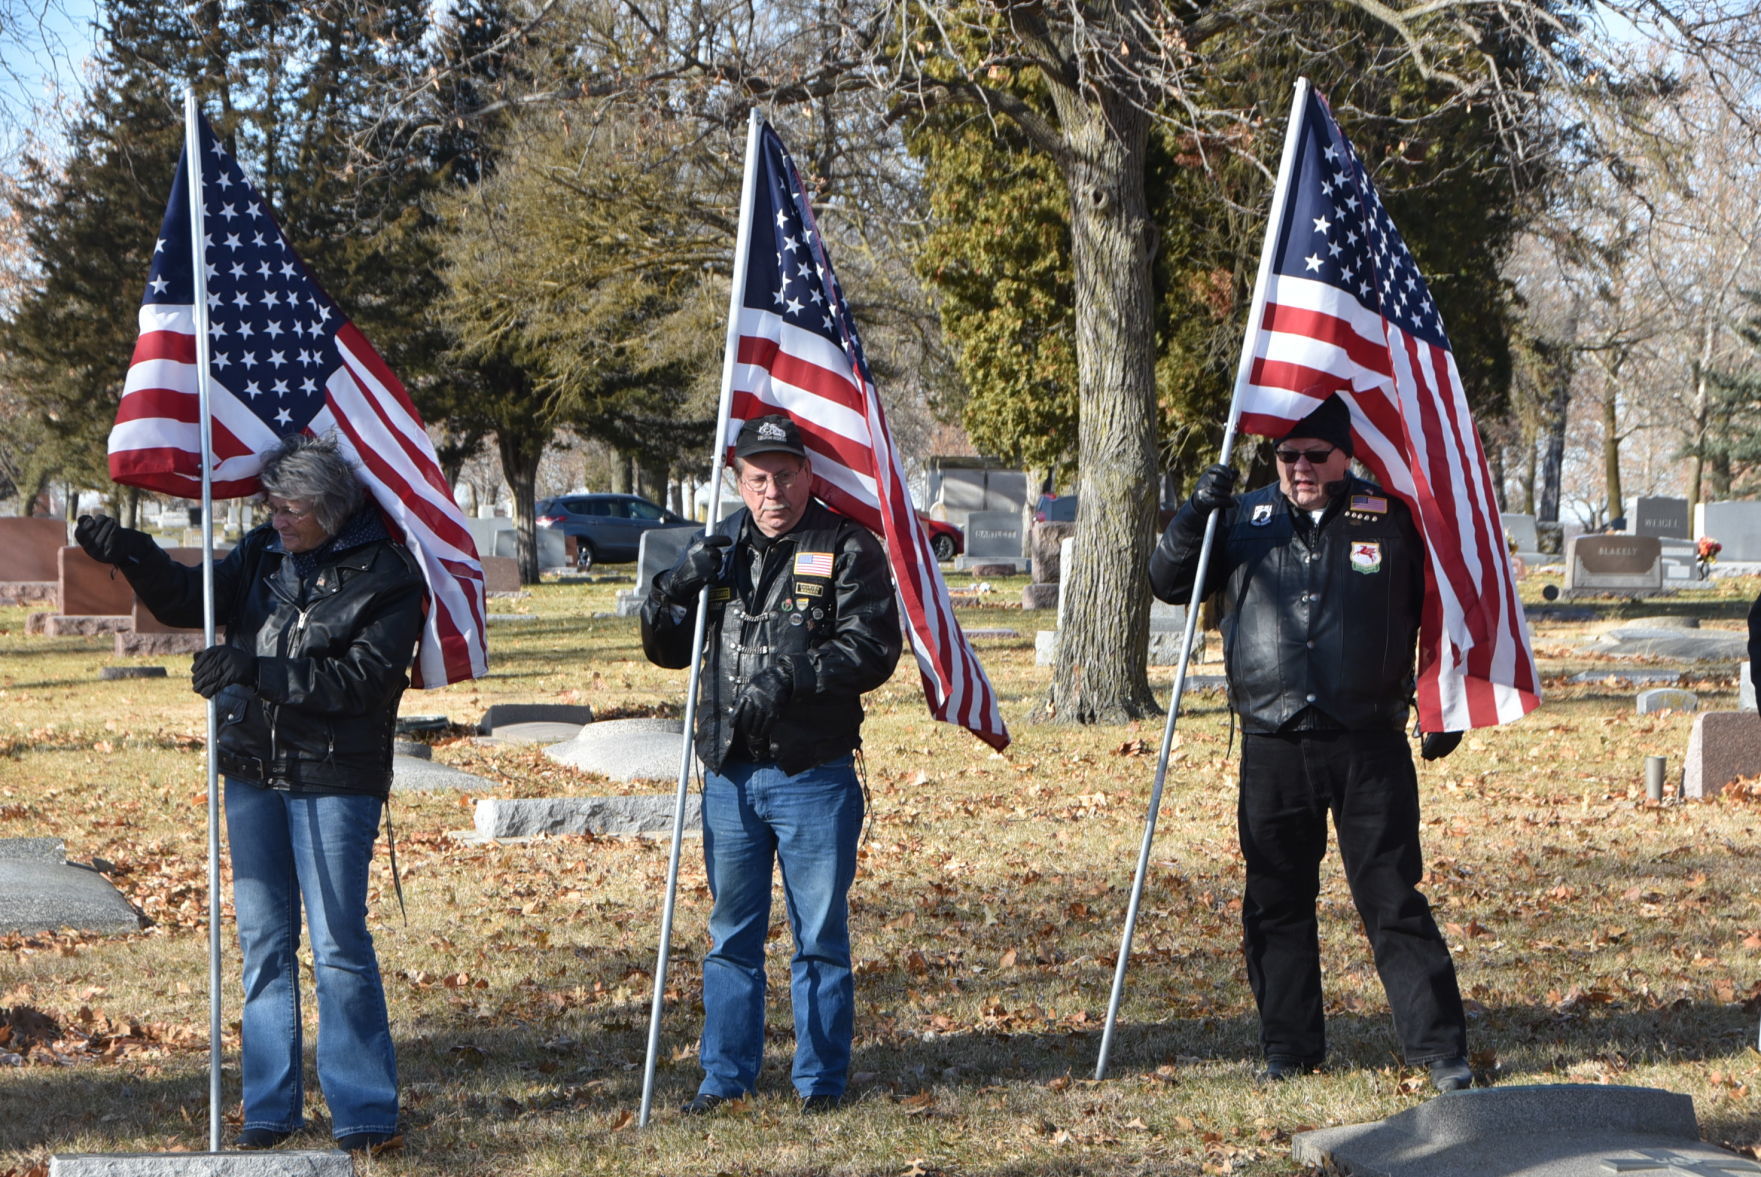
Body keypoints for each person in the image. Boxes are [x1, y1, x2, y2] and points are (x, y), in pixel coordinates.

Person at [76, 433, 423, 1153]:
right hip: (254, 771)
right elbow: (183, 600)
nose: (277, 517)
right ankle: (270, 1104)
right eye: (271, 504)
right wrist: (129, 549)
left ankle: (362, 1110)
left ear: (330, 507)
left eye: (290, 506)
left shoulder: (387, 575)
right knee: (263, 941)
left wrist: (254, 669)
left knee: (337, 942)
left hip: (334, 776)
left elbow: (360, 683)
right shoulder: (262, 555)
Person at [1147, 393, 1474, 1093]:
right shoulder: (1240, 519)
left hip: (1366, 738)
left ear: (1344, 454)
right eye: (1287, 454)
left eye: (1314, 455)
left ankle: (1439, 1050)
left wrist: (1444, 701)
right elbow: (1168, 581)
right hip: (1272, 735)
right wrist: (1192, 514)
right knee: (1275, 897)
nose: (1299, 467)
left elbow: (1443, 603)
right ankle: (1288, 1047)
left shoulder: (1390, 518)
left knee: (1391, 894)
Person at [641, 414, 901, 1115]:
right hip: (728, 771)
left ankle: (819, 1079)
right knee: (731, 934)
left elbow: (874, 647)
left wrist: (793, 675)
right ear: (739, 480)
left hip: (810, 771)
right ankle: (725, 1075)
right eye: (758, 477)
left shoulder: (846, 544)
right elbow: (664, 649)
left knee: (817, 934)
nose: (773, 490)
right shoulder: (717, 545)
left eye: (785, 474)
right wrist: (673, 589)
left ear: (807, 474)